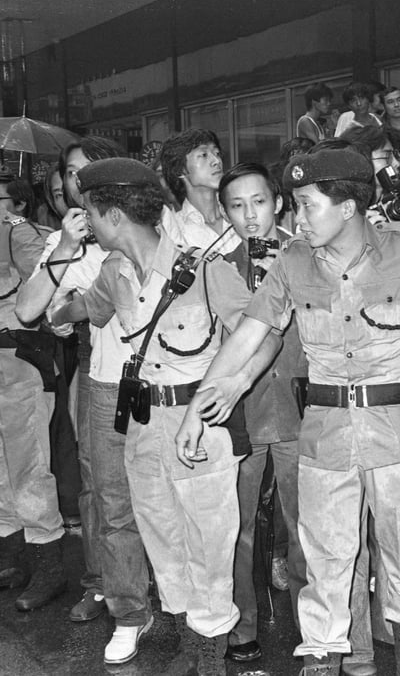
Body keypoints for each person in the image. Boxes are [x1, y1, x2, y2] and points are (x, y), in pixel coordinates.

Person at [174, 147, 400, 676]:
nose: (297, 217)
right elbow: (250, 335)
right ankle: (327, 663)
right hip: (324, 435)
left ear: (347, 207)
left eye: (307, 205)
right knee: (326, 563)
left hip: (395, 434)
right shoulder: (291, 263)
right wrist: (204, 400)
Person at [51, 157, 270, 675]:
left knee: (210, 547)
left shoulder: (203, 268)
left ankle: (210, 655)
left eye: (91, 213)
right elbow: (75, 311)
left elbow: (265, 329)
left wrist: (233, 384)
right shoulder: (112, 272)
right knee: (164, 543)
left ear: (113, 215)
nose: (90, 224)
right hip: (143, 432)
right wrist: (61, 312)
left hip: (198, 429)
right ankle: (189, 644)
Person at [15, 138, 159, 665]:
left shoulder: (163, 232)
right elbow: (33, 311)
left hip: (171, 381)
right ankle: (128, 609)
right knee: (112, 501)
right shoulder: (73, 246)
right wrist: (63, 253)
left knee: (169, 495)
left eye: (87, 173)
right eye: (72, 176)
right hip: (106, 384)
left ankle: (185, 602)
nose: (78, 185)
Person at [214, 162, 308, 665]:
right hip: (241, 413)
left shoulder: (311, 253)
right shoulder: (217, 265)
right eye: (236, 205)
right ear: (223, 212)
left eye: (259, 202)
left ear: (278, 201)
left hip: (301, 407)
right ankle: (242, 622)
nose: (250, 216)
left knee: (303, 524)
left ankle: (309, 623)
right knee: (240, 526)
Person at [0, 169, 67, 614]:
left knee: (28, 466)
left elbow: (49, 284)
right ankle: (13, 558)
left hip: (17, 360)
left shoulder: (18, 234)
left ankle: (49, 562)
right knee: (2, 472)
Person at [159, 129, 234, 253]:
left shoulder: (240, 215)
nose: (216, 161)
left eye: (217, 153)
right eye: (204, 155)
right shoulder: (174, 230)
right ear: (180, 170)